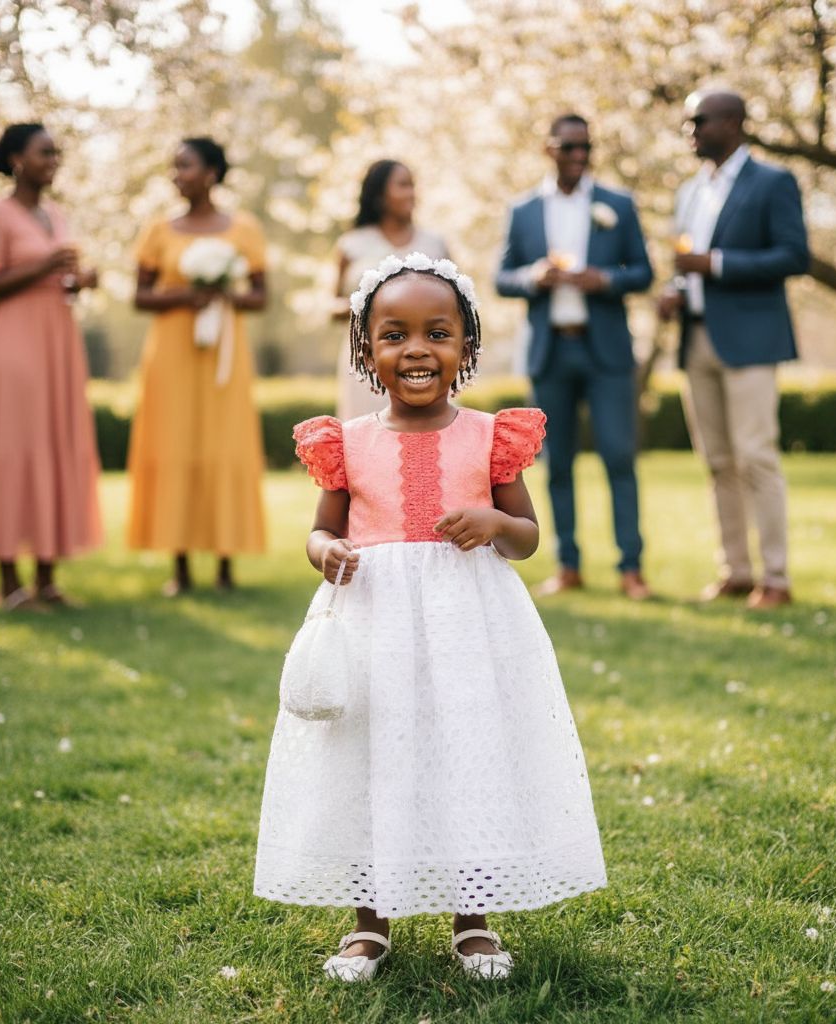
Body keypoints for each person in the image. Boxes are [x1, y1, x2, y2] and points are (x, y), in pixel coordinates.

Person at [254, 252, 606, 982]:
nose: (416, 350)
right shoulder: (345, 442)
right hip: (373, 621)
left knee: (465, 752)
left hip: (468, 627)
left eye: (437, 333)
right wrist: (328, 551)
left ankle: (472, 920)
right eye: (394, 335)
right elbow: (320, 530)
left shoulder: (490, 438)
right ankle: (367, 923)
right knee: (370, 754)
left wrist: (489, 519)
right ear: (365, 349)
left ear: (466, 349)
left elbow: (528, 535)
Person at [658, 90, 809, 609]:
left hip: (751, 340)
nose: (690, 131)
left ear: (733, 122)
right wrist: (674, 293)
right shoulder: (689, 192)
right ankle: (736, 571)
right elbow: (686, 264)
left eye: (698, 121)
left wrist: (716, 264)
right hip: (696, 338)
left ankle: (777, 578)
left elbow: (794, 256)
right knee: (718, 461)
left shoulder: (773, 182)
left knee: (755, 457)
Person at [496, 113, 654, 600]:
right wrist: (533, 276)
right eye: (569, 147)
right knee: (556, 463)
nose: (579, 156)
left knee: (619, 457)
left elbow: (644, 272)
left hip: (605, 349)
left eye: (586, 147)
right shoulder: (523, 210)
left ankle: (631, 568)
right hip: (550, 350)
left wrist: (604, 279)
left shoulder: (617, 205)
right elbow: (503, 277)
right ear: (549, 149)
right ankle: (568, 565)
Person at [0, 123, 102, 609]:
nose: (54, 160)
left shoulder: (54, 214)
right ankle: (8, 581)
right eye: (45, 153)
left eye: (57, 153)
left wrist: (78, 281)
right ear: (16, 159)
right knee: (12, 445)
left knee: (55, 443)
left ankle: (46, 577)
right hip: (13, 347)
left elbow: (54, 277)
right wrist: (43, 267)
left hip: (57, 343)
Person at [127, 138, 268, 594]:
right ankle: (180, 565)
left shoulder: (243, 228)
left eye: (184, 166)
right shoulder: (157, 230)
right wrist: (187, 295)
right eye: (173, 166)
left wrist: (226, 294)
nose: (175, 174)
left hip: (225, 356)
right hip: (171, 356)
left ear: (211, 172)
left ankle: (226, 564)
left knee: (224, 445)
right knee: (175, 445)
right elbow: (140, 296)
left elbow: (261, 296)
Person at [332, 160, 449, 419]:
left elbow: (456, 306)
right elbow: (332, 305)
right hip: (367, 357)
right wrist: (362, 305)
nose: (412, 193)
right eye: (403, 185)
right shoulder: (352, 244)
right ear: (379, 194)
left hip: (423, 356)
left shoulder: (434, 244)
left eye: (413, 186)